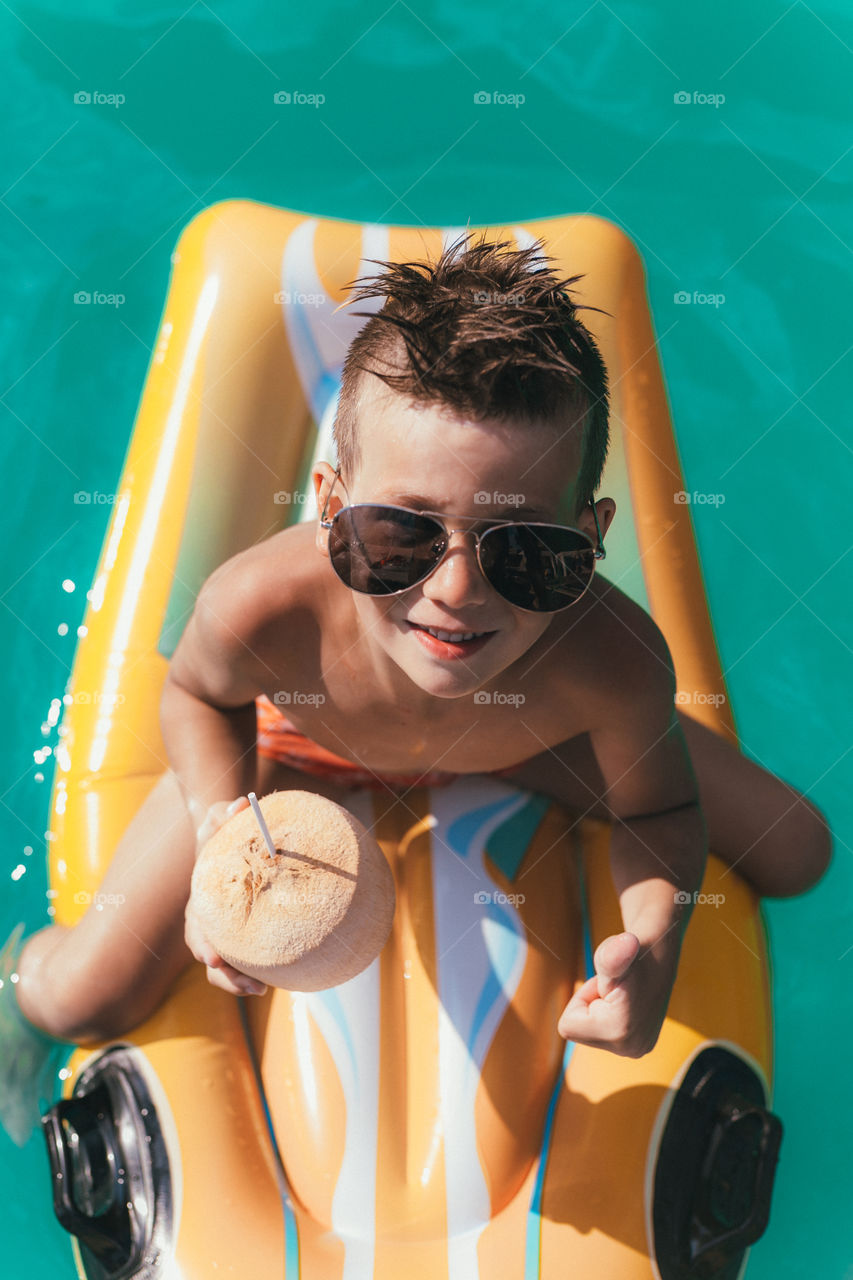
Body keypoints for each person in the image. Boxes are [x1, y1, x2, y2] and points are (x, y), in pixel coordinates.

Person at [0, 233, 831, 1146]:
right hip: (300, 744)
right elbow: (201, 699)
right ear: (329, 509)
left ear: (590, 539)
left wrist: (653, 944)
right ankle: (12, 987)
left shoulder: (612, 658)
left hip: (533, 743)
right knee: (85, 996)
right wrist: (222, 826)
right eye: (399, 538)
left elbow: (659, 812)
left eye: (525, 554)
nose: (456, 591)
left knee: (797, 850)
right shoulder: (261, 606)